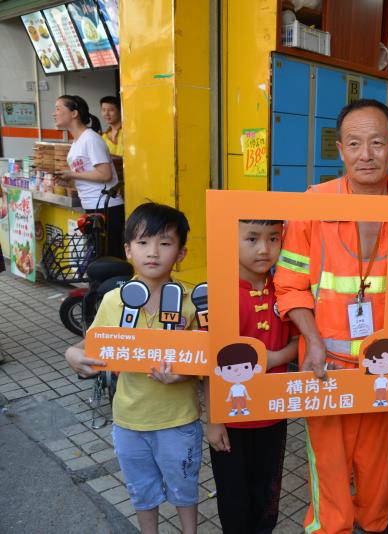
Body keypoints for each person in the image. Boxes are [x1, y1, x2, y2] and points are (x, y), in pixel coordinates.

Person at [274, 98, 388, 534]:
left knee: (378, 461)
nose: (365, 154)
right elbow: (289, 285)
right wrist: (312, 342)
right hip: (326, 367)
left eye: (377, 143)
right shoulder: (313, 203)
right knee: (329, 463)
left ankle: (374, 523)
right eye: (354, 144)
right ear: (340, 149)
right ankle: (330, 528)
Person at [64, 203, 202, 534]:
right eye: (142, 242)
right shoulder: (114, 301)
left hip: (179, 420)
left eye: (165, 243)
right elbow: (88, 346)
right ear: (128, 250)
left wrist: (185, 373)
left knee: (184, 490)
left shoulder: (192, 303)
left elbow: (206, 361)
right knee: (142, 493)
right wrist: (72, 355)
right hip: (128, 421)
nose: (153, 252)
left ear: (181, 253)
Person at [206, 219, 298, 533]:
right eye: (252, 238)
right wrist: (214, 419)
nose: (264, 249)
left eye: (273, 238)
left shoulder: (287, 291)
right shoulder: (220, 294)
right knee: (233, 498)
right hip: (231, 421)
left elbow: (298, 341)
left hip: (273, 413)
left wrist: (274, 358)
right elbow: (209, 363)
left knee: (267, 494)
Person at [53, 94, 125, 259]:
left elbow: (105, 174)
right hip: (93, 206)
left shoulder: (91, 139)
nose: (54, 113)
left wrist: (72, 174)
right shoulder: (76, 142)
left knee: (110, 259)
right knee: (99, 258)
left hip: (107, 207)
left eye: (58, 109)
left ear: (74, 113)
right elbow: (87, 175)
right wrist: (69, 179)